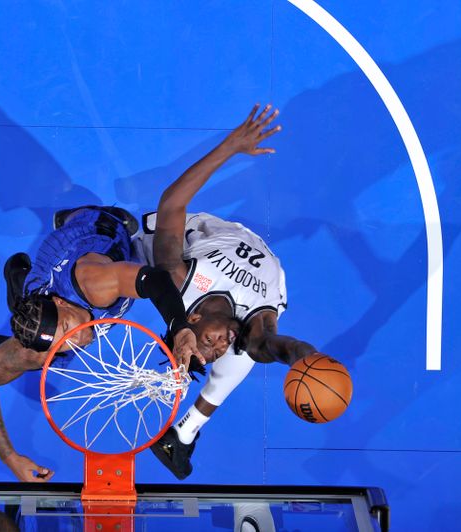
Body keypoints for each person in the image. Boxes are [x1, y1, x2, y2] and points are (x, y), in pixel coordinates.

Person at [0, 206, 203, 482]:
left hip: (91, 225)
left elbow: (154, 280)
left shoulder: (95, 285)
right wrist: (11, 459)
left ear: (59, 302)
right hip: (43, 288)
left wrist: (179, 327)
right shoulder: (54, 342)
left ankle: (23, 276)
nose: (79, 339)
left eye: (69, 328)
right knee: (35, 357)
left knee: (119, 224)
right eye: (65, 340)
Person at [139, 104, 326, 479]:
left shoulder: (179, 278)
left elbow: (173, 202)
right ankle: (184, 434)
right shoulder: (253, 331)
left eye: (207, 342)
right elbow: (280, 347)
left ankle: (88, 231)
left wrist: (231, 145)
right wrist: (307, 360)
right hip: (265, 263)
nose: (219, 346)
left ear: (193, 317)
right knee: (241, 361)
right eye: (215, 351)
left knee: (116, 263)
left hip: (187, 233)